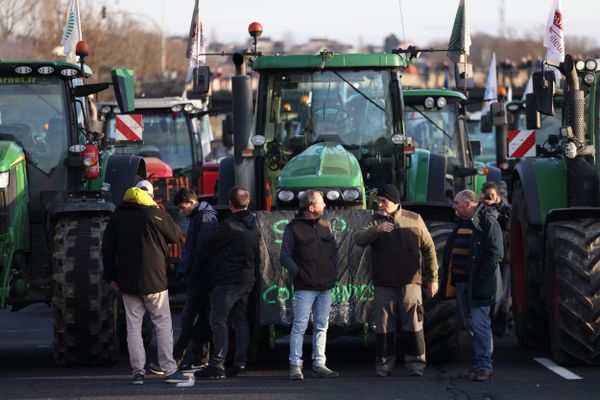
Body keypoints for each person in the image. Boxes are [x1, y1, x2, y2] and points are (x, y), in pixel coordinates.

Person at [102, 181, 189, 385]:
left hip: (127, 281)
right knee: (162, 325)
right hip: (155, 280)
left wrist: (111, 277)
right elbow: (176, 236)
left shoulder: (117, 216)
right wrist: (159, 211)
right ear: (149, 196)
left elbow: (107, 249)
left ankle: (138, 373)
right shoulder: (153, 213)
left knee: (134, 328)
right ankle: (169, 369)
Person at [354, 184, 438, 377]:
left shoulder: (414, 219)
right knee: (384, 328)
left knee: (414, 326)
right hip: (384, 283)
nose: (380, 205)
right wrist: (377, 230)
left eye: (384, 201)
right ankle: (383, 366)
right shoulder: (374, 220)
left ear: (395, 202)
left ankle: (416, 365)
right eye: (379, 201)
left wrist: (433, 278)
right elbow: (359, 239)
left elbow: (429, 249)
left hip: (411, 284)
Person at [196, 186, 260, 379]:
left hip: (228, 280)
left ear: (230, 204)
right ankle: (240, 364)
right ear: (247, 202)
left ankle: (217, 364)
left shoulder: (229, 226)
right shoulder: (255, 226)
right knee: (240, 321)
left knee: (218, 320)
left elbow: (207, 245)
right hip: (247, 279)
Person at [440, 190, 503, 382]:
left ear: (469, 204)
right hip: (462, 283)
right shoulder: (463, 222)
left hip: (478, 285)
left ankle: (485, 367)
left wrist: (481, 279)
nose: (454, 206)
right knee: (470, 324)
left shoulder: (487, 222)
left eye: (457, 203)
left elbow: (495, 253)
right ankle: (477, 365)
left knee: (479, 323)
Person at [280, 190, 340, 381]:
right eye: (321, 203)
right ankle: (296, 366)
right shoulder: (292, 228)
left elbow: (335, 251)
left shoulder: (325, 224)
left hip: (325, 285)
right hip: (305, 286)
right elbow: (284, 257)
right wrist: (300, 274)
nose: (325, 206)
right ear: (311, 207)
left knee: (322, 326)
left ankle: (319, 364)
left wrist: (333, 272)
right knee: (299, 326)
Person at [172, 188, 219, 372]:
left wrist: (190, 271)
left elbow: (202, 251)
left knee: (188, 319)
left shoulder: (203, 218)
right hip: (200, 276)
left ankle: (176, 358)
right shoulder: (202, 216)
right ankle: (199, 358)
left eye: (183, 208)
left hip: (200, 277)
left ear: (192, 202)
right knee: (198, 320)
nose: (181, 212)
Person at [480, 182, 511, 337]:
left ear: (498, 196)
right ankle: (488, 324)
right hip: (487, 256)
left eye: (492, 195)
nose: (489, 198)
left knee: (503, 294)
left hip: (505, 257)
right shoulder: (481, 209)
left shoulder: (506, 209)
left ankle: (500, 326)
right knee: (489, 291)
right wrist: (482, 205)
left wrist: (496, 207)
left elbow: (507, 223)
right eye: (487, 195)